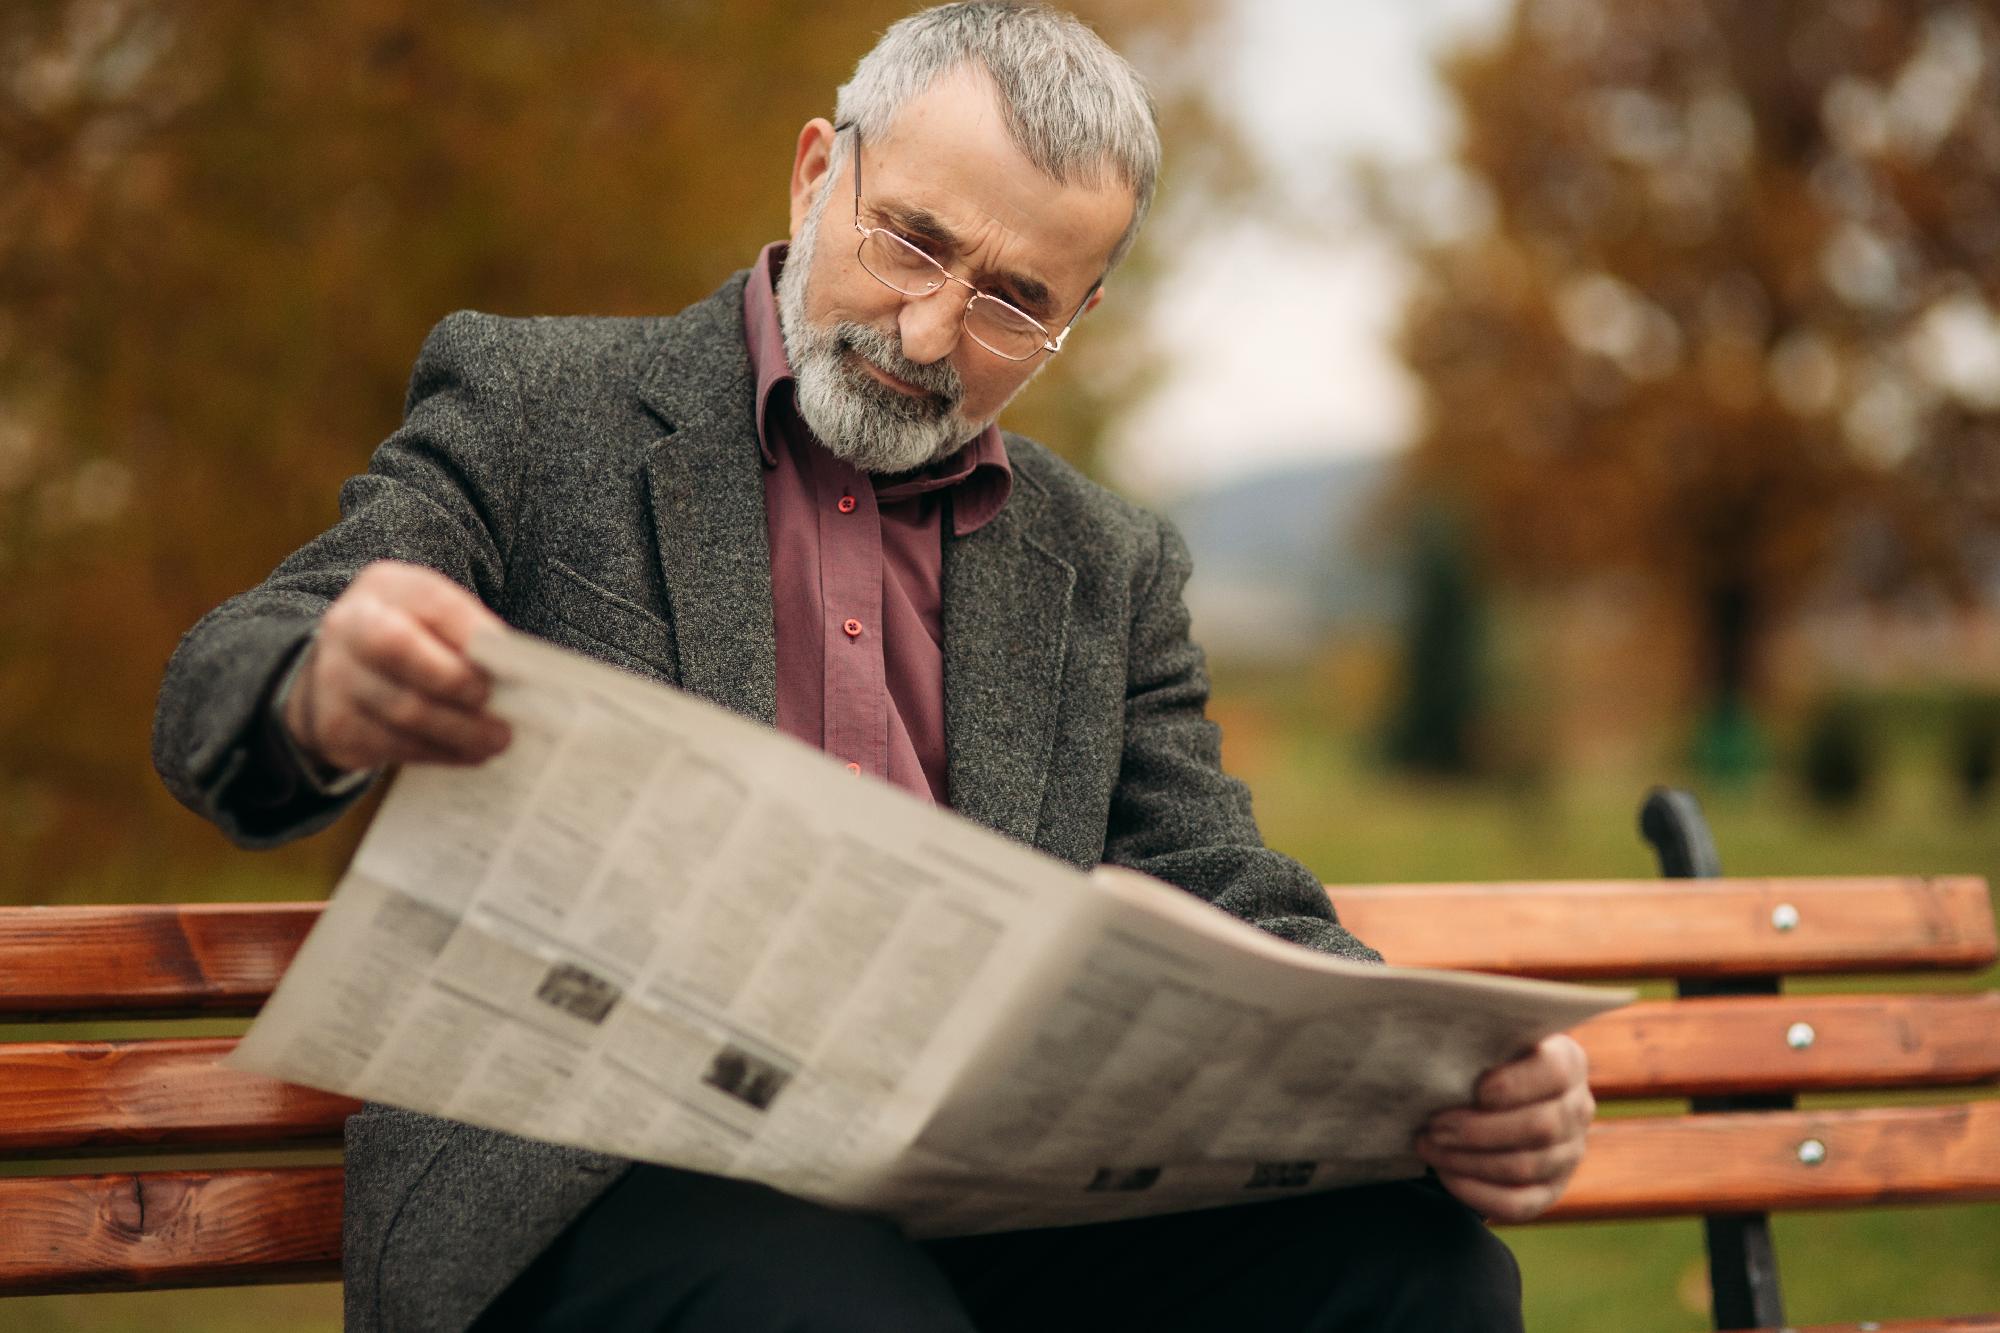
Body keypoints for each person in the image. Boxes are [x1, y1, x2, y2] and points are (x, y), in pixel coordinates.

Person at [153, 5, 1593, 1330]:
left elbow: (1220, 878)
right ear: (812, 175)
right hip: (600, 1173)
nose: (926, 333)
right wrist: (321, 686)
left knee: (1425, 1276)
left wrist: (1443, 1074)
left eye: (1012, 299)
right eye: (908, 241)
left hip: (982, 1203)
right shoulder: (540, 407)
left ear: (1078, 318)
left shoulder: (1108, 562)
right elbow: (236, 671)